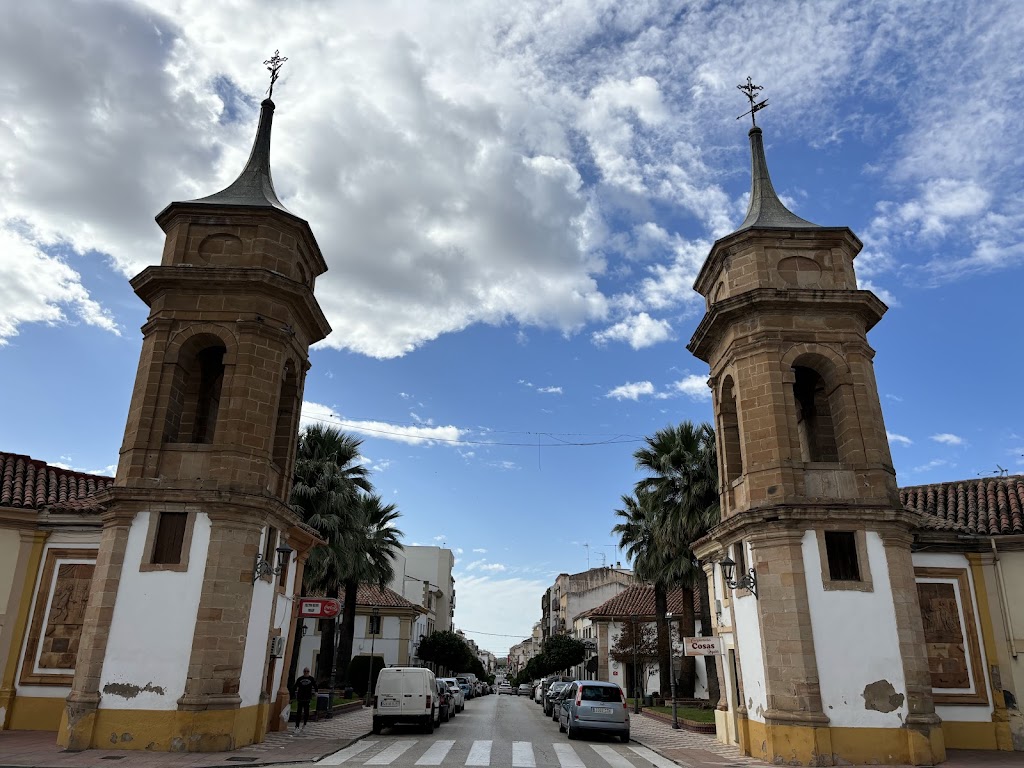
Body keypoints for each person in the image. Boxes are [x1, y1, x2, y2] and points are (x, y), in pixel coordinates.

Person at [292, 667, 318, 733]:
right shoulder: (300, 679)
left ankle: (304, 724)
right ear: (303, 672)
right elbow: (295, 686)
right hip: (300, 697)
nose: (306, 672)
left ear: (309, 672)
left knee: (306, 712)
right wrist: (293, 695)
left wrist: (316, 692)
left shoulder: (311, 679)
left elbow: (315, 686)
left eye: (307, 671)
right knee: (299, 712)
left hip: (307, 698)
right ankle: (297, 726)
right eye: (305, 671)